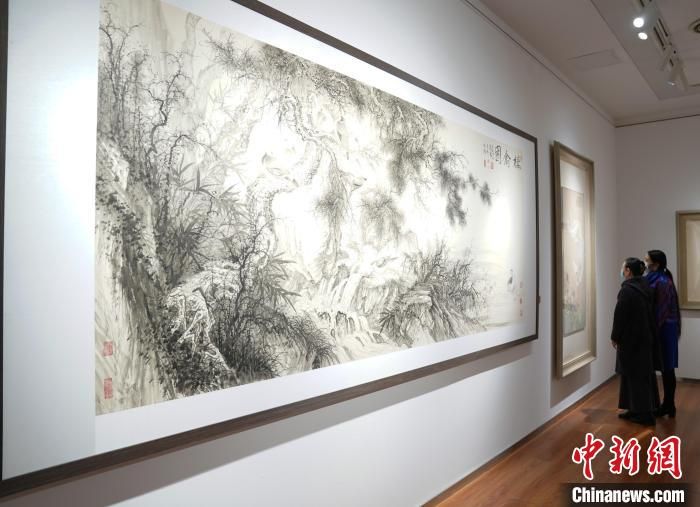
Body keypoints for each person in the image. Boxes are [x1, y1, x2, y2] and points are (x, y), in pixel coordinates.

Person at [612, 257, 659, 426]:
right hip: (645, 338)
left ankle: (644, 415)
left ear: (628, 271)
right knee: (639, 376)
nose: (622, 271)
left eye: (623, 268)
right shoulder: (645, 287)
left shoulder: (627, 291)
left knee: (635, 377)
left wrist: (615, 336)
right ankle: (635, 408)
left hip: (631, 341)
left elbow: (620, 316)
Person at [645, 249, 681, 418]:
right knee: (666, 368)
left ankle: (669, 405)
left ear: (656, 263)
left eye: (647, 260)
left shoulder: (663, 281)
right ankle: (667, 405)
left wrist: (651, 329)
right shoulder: (655, 279)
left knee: (667, 369)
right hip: (662, 328)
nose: (645, 263)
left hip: (665, 330)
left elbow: (662, 310)